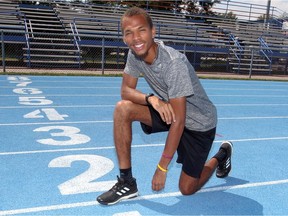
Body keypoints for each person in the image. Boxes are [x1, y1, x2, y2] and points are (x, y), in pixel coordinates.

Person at [97, 7, 233, 205]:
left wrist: (162, 168)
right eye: (129, 33)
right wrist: (152, 99)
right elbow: (126, 90)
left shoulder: (173, 63)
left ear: (153, 32)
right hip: (172, 111)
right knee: (122, 108)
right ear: (124, 38)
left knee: (187, 189)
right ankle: (127, 183)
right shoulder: (134, 53)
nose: (136, 38)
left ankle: (220, 156)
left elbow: (179, 122)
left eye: (141, 30)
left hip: (198, 123)